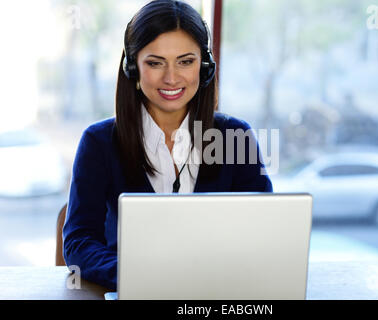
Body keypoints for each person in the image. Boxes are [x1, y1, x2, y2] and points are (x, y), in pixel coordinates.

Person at [63, 0, 272, 291]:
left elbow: (263, 233)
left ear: (205, 67)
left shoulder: (236, 137)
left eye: (186, 61)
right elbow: (79, 241)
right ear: (132, 67)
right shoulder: (99, 143)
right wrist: (139, 277)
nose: (171, 78)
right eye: (155, 62)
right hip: (135, 290)